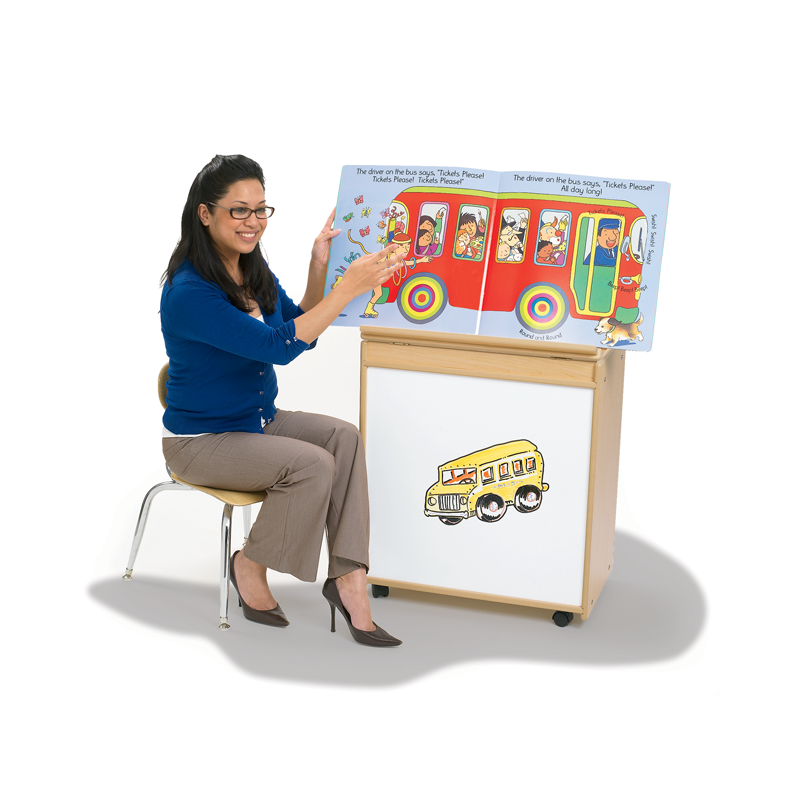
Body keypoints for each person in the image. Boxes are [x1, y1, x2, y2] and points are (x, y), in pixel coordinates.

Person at [159, 154, 403, 647]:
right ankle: (248, 563)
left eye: (262, 209)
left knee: (344, 438)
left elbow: (300, 327)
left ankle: (349, 578)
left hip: (256, 421)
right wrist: (349, 287)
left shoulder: (250, 265)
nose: (253, 223)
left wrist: (321, 270)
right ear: (205, 213)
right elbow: (279, 348)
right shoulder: (189, 291)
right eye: (239, 211)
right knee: (313, 465)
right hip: (203, 439)